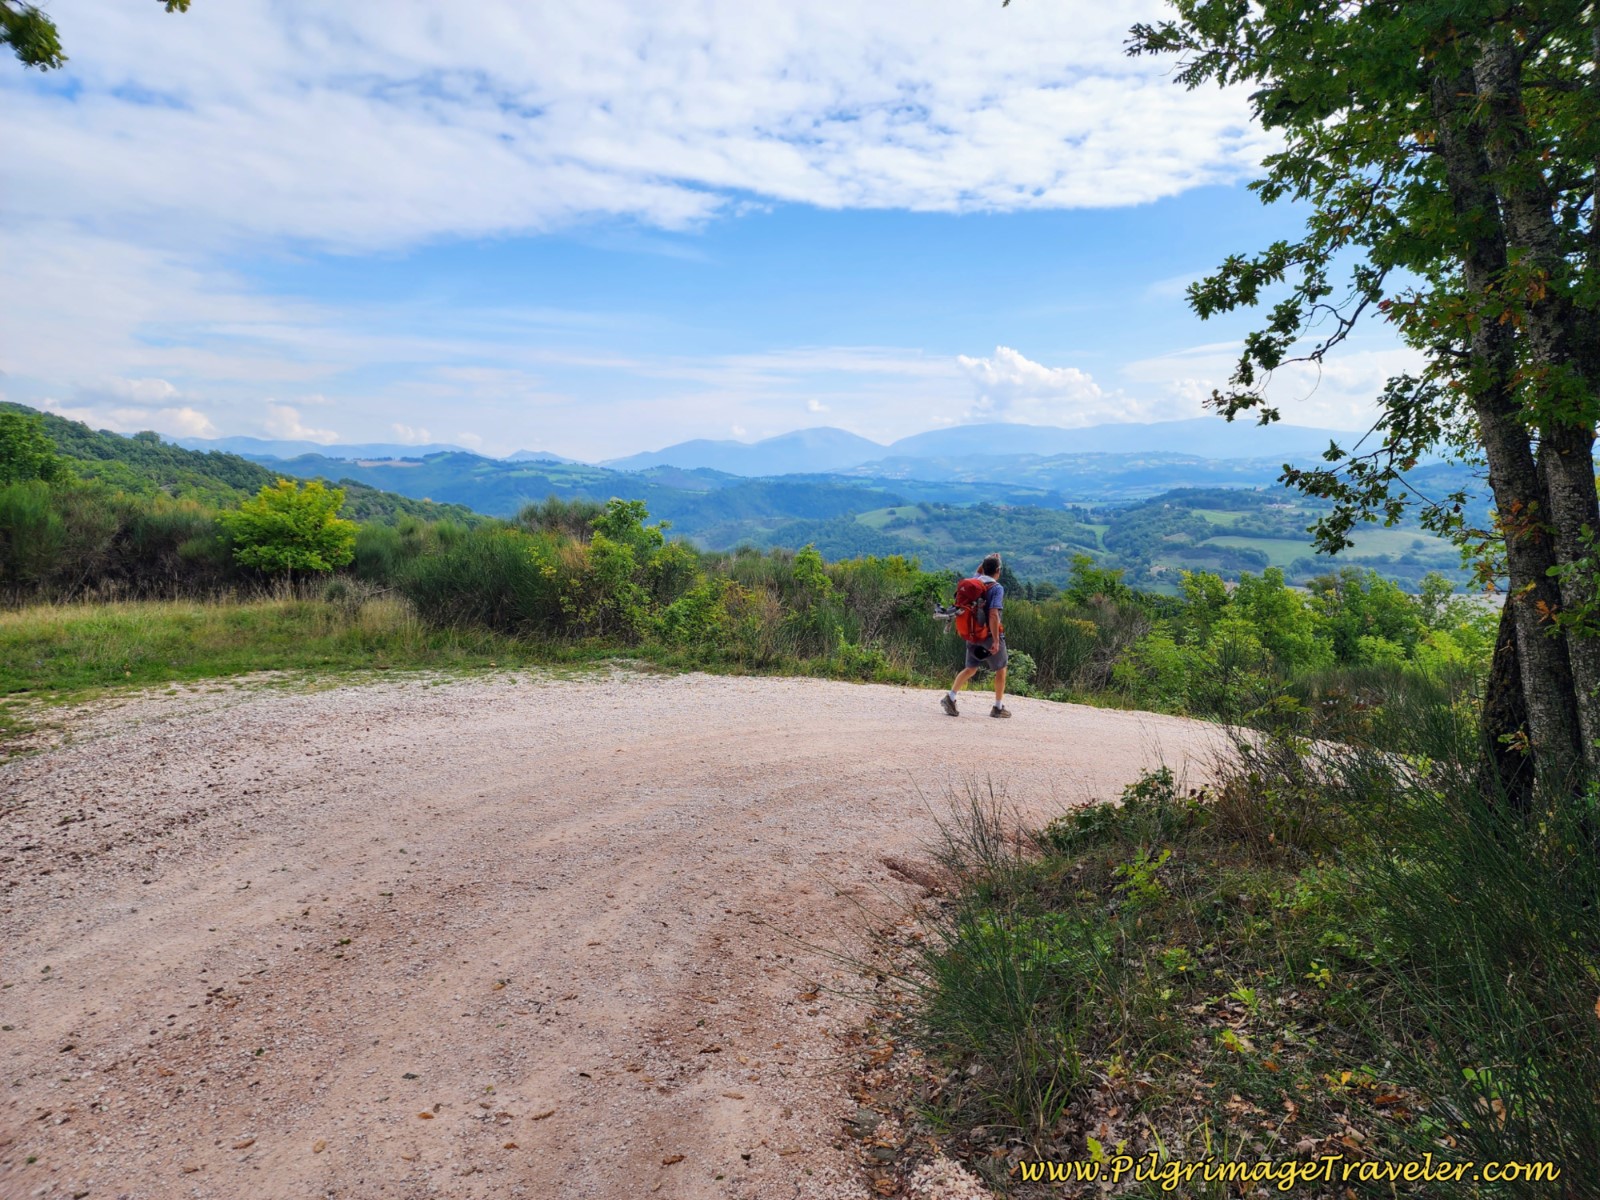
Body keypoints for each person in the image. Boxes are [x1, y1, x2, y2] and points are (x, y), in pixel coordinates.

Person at [941, 553, 1011, 718]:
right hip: (987, 634)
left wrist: (986, 560)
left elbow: (980, 571)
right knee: (1001, 668)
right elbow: (993, 614)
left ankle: (950, 697)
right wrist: (995, 640)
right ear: (998, 571)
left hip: (972, 633)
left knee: (971, 668)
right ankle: (998, 707)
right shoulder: (996, 588)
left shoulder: (976, 581)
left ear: (983, 568)